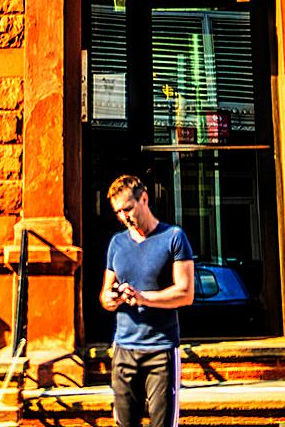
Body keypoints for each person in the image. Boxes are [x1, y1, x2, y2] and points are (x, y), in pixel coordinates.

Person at [100, 174, 195, 427]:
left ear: (144, 199)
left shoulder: (173, 237)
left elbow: (186, 293)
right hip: (123, 349)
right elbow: (104, 295)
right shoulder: (117, 243)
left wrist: (143, 298)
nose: (124, 217)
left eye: (128, 209)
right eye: (118, 212)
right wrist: (112, 299)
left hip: (160, 349)